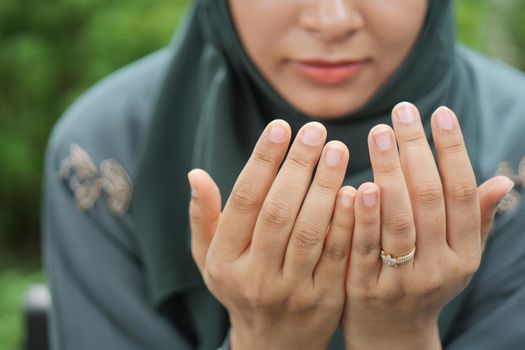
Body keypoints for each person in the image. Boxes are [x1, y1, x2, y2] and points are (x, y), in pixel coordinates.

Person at [42, 0, 525, 349]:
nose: (332, 20)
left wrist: (399, 332)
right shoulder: (108, 149)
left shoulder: (516, 142)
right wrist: (265, 337)